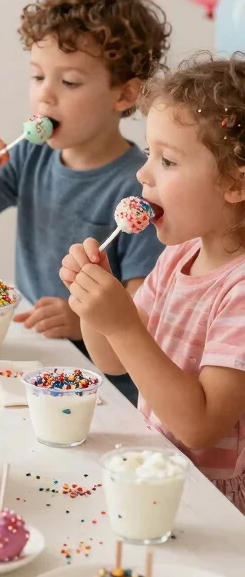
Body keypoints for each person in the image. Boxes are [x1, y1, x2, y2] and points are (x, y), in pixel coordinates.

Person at [0, 0, 169, 404]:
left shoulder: (143, 188)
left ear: (124, 93)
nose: (45, 94)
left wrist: (83, 323)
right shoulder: (31, 156)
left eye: (71, 82)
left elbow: (141, 321)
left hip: (105, 387)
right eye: (38, 76)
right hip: (36, 360)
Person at [60, 53, 245, 512]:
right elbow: (113, 361)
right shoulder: (177, 256)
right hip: (157, 478)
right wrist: (94, 303)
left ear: (235, 183)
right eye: (148, 155)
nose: (142, 174)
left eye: (166, 160)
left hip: (213, 507)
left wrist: (122, 325)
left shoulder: (239, 289)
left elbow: (200, 426)